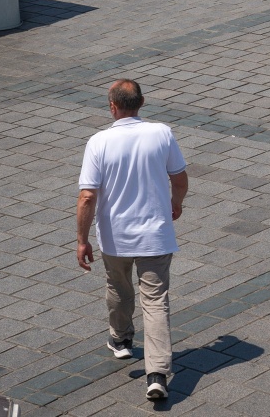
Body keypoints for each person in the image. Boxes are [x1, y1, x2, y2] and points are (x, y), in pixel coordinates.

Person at [76, 80, 188, 404]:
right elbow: (179, 178)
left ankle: (121, 340)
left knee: (118, 288)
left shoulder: (99, 142)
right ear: (142, 103)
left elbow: (87, 197)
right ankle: (157, 374)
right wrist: (176, 202)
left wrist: (82, 240)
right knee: (155, 302)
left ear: (112, 106)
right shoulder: (162, 133)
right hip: (156, 234)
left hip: (115, 237)